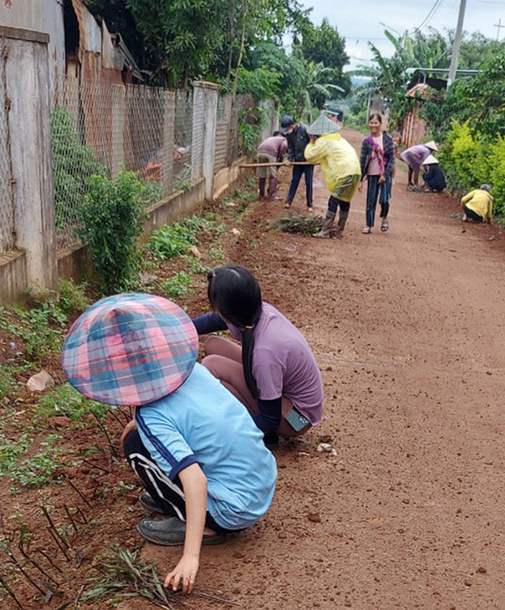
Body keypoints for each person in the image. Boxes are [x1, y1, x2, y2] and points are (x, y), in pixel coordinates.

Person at [61, 293, 276, 594]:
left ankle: (204, 526)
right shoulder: (192, 371)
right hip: (261, 480)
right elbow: (188, 413)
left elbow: (196, 479)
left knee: (135, 447)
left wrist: (190, 557)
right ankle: (181, 504)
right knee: (140, 434)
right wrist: (140, 421)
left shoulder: (153, 418)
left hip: (235, 511)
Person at [190, 265, 324, 446]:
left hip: (295, 418)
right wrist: (181, 328)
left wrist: (229, 431)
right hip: (282, 394)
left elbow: (270, 417)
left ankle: (261, 434)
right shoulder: (255, 311)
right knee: (213, 344)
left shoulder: (265, 353)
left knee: (212, 365)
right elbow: (215, 320)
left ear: (227, 311)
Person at [303, 114, 361, 239]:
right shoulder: (339, 139)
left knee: (333, 201)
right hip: (355, 171)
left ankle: (325, 231)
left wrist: (311, 143)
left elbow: (310, 156)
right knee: (344, 200)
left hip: (344, 172)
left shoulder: (324, 141)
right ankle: (339, 230)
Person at [358, 113, 396, 234]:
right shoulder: (367, 142)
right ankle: (369, 225)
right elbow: (363, 160)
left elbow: (392, 159)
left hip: (385, 174)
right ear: (368, 124)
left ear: (380, 124)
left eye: (376, 123)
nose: (373, 125)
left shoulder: (387, 139)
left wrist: (385, 175)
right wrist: (361, 180)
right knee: (371, 200)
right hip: (372, 174)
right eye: (371, 123)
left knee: (385, 199)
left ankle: (384, 217)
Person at [281, 115, 314, 212]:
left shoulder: (305, 129)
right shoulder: (289, 134)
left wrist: (313, 156)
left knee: (309, 183)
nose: (287, 130)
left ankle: (309, 205)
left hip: (308, 162)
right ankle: (288, 201)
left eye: (288, 127)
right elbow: (290, 148)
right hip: (298, 161)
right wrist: (289, 159)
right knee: (294, 181)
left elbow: (313, 143)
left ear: (293, 124)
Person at [256, 131, 288, 200]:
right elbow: (284, 147)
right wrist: (280, 159)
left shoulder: (272, 138)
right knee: (273, 174)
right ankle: (272, 195)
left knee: (262, 174)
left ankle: (261, 195)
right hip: (271, 153)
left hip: (260, 152)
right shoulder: (284, 140)